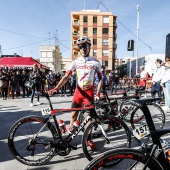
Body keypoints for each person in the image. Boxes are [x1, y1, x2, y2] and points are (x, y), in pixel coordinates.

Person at [49, 36, 102, 149]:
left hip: (89, 92)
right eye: (81, 47)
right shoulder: (75, 62)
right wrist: (56, 88)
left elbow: (101, 78)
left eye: (85, 46)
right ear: (79, 49)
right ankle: (69, 137)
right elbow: (65, 77)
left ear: (89, 47)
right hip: (78, 92)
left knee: (89, 118)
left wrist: (98, 94)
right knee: (73, 116)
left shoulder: (95, 62)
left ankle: (88, 139)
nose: (83, 49)